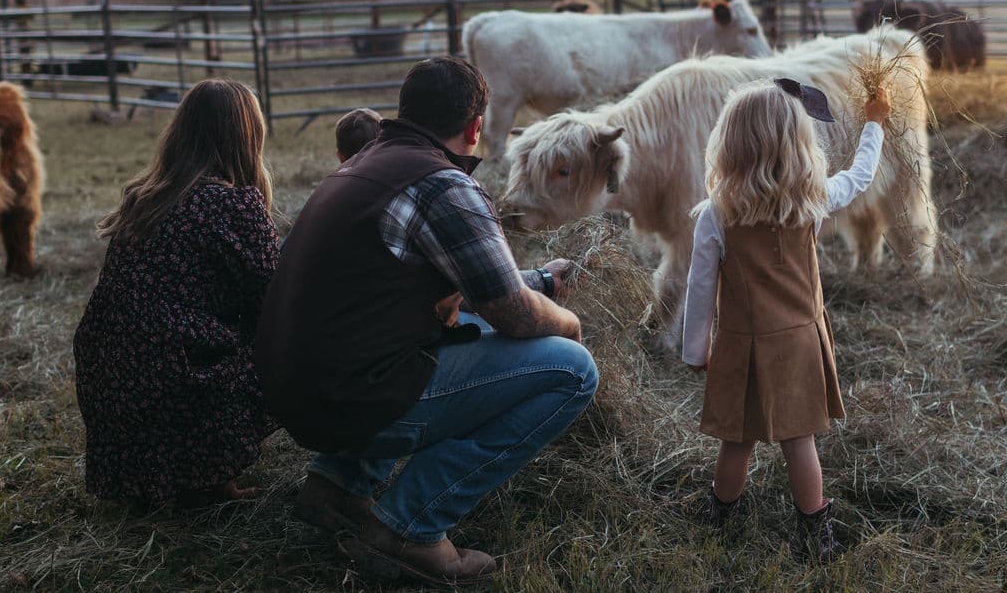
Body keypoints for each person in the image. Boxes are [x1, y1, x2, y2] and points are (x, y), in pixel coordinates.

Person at [255, 56, 597, 586]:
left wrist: (540, 280)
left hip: (296, 391)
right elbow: (513, 314)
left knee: (451, 330)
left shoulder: (363, 167)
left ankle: (337, 485)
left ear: (405, 111)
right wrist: (567, 319)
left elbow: (464, 283)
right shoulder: (444, 186)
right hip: (350, 400)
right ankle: (410, 527)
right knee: (573, 369)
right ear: (475, 126)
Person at [682, 78, 891, 559]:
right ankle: (817, 532)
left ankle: (720, 515)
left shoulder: (716, 214)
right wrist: (874, 123)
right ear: (800, 142)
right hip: (799, 341)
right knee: (801, 442)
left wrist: (697, 349)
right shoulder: (813, 199)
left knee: (737, 440)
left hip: (743, 343)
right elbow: (860, 175)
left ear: (731, 143)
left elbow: (700, 287)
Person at [74, 79, 279, 505]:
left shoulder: (145, 196)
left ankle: (155, 474)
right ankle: (210, 475)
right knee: (282, 342)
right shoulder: (233, 205)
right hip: (174, 378)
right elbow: (272, 304)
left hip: (110, 379)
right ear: (247, 136)